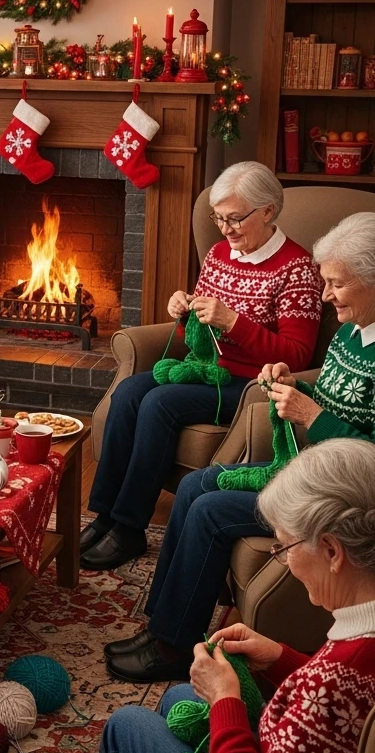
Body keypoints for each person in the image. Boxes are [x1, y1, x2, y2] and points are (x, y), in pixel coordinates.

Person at [69, 438, 375, 753]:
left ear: (331, 551)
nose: (285, 564)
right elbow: (344, 716)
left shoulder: (340, 677)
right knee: (175, 700)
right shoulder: (359, 644)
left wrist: (227, 700)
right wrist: (279, 658)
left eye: (285, 548)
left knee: (128, 725)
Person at [106, 211, 375, 682]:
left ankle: (171, 645)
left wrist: (313, 417)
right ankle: (164, 627)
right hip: (310, 470)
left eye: (337, 284)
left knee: (211, 511)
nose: (327, 295)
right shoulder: (354, 333)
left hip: (347, 499)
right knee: (193, 486)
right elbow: (337, 399)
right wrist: (294, 386)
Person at [81, 162, 321, 569]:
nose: (225, 229)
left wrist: (234, 322)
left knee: (160, 403)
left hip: (251, 384)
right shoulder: (218, 254)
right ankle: (103, 514)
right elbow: (192, 337)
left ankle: (128, 528)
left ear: (267, 211)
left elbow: (297, 356)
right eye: (219, 218)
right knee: (130, 391)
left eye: (235, 218)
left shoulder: (297, 269)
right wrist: (183, 314)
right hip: (207, 370)